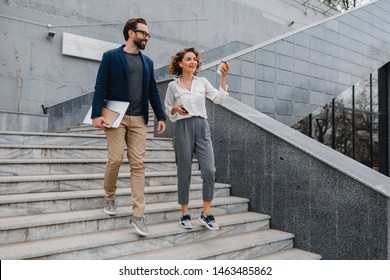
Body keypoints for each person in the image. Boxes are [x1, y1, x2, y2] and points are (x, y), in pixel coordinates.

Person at [91, 18, 166, 237]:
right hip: (115, 116)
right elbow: (101, 85)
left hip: (139, 119)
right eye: (143, 34)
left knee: (138, 165)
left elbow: (152, 90)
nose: (146, 38)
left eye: (148, 35)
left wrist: (160, 116)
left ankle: (138, 214)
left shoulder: (148, 62)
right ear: (131, 33)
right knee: (115, 160)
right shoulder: (112, 57)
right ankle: (109, 197)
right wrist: (96, 114)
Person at [164, 48, 229, 231]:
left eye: (195, 60)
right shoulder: (173, 86)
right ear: (180, 63)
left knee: (209, 170)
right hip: (182, 128)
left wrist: (223, 78)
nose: (193, 62)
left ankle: (206, 213)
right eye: (189, 59)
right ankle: (184, 212)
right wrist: (176, 109)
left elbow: (219, 99)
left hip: (202, 127)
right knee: (184, 172)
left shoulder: (203, 82)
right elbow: (168, 109)